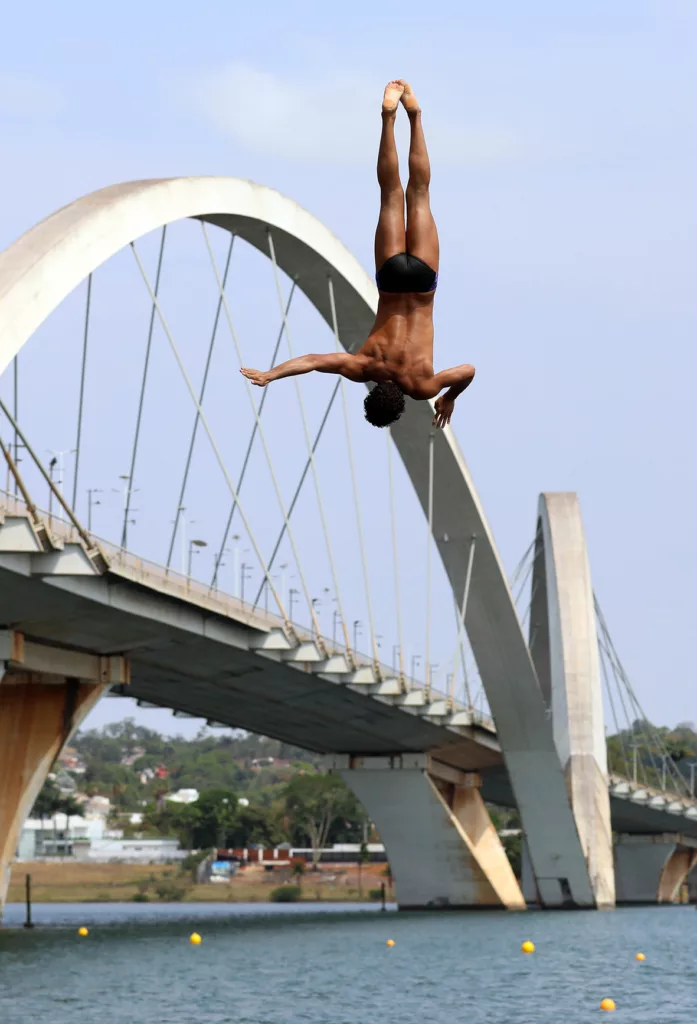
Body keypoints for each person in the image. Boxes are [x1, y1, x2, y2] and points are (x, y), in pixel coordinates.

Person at [241, 80, 475, 430]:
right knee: (390, 194)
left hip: (423, 282)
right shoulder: (364, 366)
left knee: (420, 193)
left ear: (400, 406)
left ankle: (415, 116)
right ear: (372, 393)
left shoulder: (422, 385)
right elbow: (314, 361)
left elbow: (467, 370)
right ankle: (388, 117)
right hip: (391, 279)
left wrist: (450, 396)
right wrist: (270, 374)